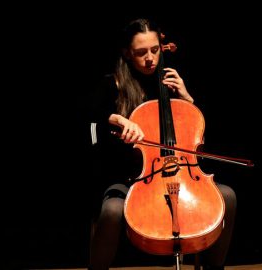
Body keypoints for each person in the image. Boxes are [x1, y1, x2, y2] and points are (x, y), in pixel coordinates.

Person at [87, 18, 237, 270]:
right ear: (127, 53)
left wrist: (187, 99)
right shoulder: (113, 85)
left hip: (182, 174)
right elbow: (87, 119)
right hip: (132, 179)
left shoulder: (172, 84)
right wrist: (116, 119)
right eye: (140, 52)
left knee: (228, 196)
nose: (150, 59)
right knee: (112, 210)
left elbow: (197, 137)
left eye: (155, 50)